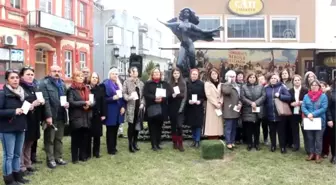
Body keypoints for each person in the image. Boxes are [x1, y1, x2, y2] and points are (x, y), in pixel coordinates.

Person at [0, 69, 30, 185]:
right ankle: (9, 180)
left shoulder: (23, 93)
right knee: (9, 155)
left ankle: (18, 176)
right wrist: (13, 111)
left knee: (17, 154)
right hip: (7, 129)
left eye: (17, 77)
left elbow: (22, 110)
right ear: (7, 80)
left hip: (20, 127)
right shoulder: (3, 94)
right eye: (12, 78)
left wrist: (28, 108)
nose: (15, 80)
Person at [40, 65, 68, 169]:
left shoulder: (62, 84)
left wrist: (67, 104)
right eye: (54, 71)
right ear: (49, 72)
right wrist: (48, 116)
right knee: (49, 139)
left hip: (61, 115)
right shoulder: (44, 84)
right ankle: (50, 159)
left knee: (59, 138)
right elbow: (45, 101)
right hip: (51, 115)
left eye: (59, 71)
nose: (57, 73)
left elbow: (65, 97)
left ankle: (58, 157)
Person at [19, 67, 45, 176]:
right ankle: (21, 167)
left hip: (34, 119)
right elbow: (20, 106)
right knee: (22, 144)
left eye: (32, 74)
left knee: (30, 142)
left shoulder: (34, 87)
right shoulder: (20, 88)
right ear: (22, 76)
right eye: (28, 74)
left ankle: (28, 163)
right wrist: (32, 104)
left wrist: (42, 102)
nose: (30, 76)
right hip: (24, 119)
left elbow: (39, 100)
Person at [143, 68, 172, 151]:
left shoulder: (164, 83)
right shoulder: (148, 84)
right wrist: (154, 98)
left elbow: (169, 92)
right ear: (152, 74)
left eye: (158, 73)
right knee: (152, 127)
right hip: (152, 107)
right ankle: (153, 145)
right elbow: (146, 94)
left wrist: (163, 98)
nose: (156, 74)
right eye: (155, 73)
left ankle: (158, 143)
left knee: (159, 126)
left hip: (162, 108)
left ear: (160, 74)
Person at [67, 71, 93, 163]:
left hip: (86, 116)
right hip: (76, 117)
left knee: (84, 138)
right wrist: (84, 103)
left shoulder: (86, 88)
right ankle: (75, 158)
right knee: (75, 138)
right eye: (78, 76)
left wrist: (89, 105)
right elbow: (71, 102)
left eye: (82, 76)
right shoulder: (71, 89)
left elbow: (93, 100)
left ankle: (83, 156)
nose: (81, 78)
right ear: (74, 78)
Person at [302, 80, 328, 163]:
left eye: (316, 85)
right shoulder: (306, 96)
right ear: (310, 87)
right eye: (312, 85)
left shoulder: (323, 96)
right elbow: (303, 107)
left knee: (318, 139)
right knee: (310, 138)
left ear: (319, 87)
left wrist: (312, 114)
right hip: (309, 121)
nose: (314, 86)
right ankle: (311, 153)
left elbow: (324, 108)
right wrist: (308, 114)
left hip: (320, 121)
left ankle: (318, 155)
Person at [265, 74, 291, 153]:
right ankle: (273, 145)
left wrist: (280, 96)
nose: (273, 79)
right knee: (272, 131)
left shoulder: (282, 87)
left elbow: (289, 97)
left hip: (280, 114)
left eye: (275, 78)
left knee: (281, 131)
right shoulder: (266, 88)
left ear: (277, 80)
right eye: (271, 78)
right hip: (269, 113)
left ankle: (282, 147)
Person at [102, 67, 126, 155]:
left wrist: (123, 106)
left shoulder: (118, 84)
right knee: (110, 130)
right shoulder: (106, 84)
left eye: (116, 74)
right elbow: (104, 99)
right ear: (110, 75)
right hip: (110, 110)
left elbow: (122, 97)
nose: (115, 75)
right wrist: (112, 98)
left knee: (115, 129)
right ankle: (110, 148)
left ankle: (114, 147)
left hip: (118, 110)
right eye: (113, 74)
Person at [241, 73, 266, 151]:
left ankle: (256, 143)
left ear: (256, 78)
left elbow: (263, 96)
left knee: (257, 128)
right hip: (248, 109)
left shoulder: (261, 86)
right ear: (248, 78)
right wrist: (251, 103)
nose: (252, 79)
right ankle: (249, 144)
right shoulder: (244, 87)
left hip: (257, 109)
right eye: (250, 77)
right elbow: (242, 97)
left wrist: (256, 103)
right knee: (249, 128)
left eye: (253, 77)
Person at [122, 67, 145, 153]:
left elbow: (143, 96)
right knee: (131, 126)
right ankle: (130, 144)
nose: (135, 73)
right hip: (131, 107)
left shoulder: (141, 83)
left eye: (136, 71)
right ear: (130, 73)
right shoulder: (126, 82)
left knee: (137, 126)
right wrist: (128, 97)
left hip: (139, 107)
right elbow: (123, 93)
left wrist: (142, 103)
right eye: (134, 71)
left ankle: (135, 142)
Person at [185, 69, 205, 148]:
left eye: (196, 74)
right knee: (192, 124)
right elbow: (185, 95)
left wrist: (200, 101)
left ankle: (197, 141)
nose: (194, 76)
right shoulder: (187, 83)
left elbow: (204, 96)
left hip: (198, 107)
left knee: (198, 125)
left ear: (198, 75)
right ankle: (193, 140)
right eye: (193, 74)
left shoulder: (201, 84)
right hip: (190, 107)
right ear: (190, 75)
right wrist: (188, 101)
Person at [87, 72, 106, 158]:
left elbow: (103, 102)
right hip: (88, 113)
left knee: (97, 134)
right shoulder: (86, 88)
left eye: (96, 78)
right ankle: (88, 153)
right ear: (90, 78)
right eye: (93, 77)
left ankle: (96, 152)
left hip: (97, 114)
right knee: (88, 134)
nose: (94, 79)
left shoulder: (100, 89)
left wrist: (103, 114)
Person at [168, 67, 187, 151]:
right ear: (172, 74)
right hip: (172, 106)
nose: (176, 75)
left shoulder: (183, 83)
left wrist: (181, 107)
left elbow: (184, 95)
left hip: (180, 107)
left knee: (179, 126)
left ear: (180, 74)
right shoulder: (169, 83)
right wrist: (171, 96)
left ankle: (180, 143)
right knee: (173, 126)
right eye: (175, 73)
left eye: (178, 73)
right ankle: (174, 142)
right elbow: (167, 95)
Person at [222, 70, 241, 150]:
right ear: (227, 77)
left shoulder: (237, 85)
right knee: (228, 128)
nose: (233, 78)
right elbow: (227, 92)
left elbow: (239, 96)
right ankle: (228, 142)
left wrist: (240, 103)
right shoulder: (225, 85)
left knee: (234, 127)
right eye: (231, 76)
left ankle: (232, 141)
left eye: (233, 76)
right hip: (229, 109)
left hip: (236, 109)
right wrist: (229, 82)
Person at [289, 75, 308, 152]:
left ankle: (307, 147)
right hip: (293, 113)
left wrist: (302, 102)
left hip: (303, 113)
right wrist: (291, 103)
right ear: (293, 82)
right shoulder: (290, 91)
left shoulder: (305, 90)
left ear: (301, 81)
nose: (297, 81)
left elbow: (309, 100)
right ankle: (296, 145)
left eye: (298, 80)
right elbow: (288, 100)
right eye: (295, 80)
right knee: (295, 130)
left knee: (305, 130)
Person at [204, 68, 223, 139]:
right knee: (211, 122)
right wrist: (215, 104)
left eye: (215, 74)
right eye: (212, 74)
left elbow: (222, 95)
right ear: (210, 75)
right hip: (212, 105)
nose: (214, 75)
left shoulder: (220, 84)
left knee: (218, 122)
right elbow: (208, 95)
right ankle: (211, 136)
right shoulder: (207, 84)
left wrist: (220, 102)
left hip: (219, 105)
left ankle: (218, 135)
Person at [280, 69, 293, 149]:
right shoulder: (280, 84)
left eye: (286, 73)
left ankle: (290, 142)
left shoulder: (291, 83)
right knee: (283, 125)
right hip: (281, 107)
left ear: (288, 74)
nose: (284, 75)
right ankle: (284, 142)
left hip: (291, 106)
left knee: (290, 126)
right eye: (283, 73)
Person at [320, 81, 332, 158]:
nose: (321, 88)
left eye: (323, 86)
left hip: (327, 117)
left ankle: (326, 151)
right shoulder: (318, 95)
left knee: (326, 135)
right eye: (320, 86)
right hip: (320, 117)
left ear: (326, 87)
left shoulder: (329, 95)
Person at [327, 79, 336, 164]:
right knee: (333, 138)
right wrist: (329, 119)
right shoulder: (330, 92)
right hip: (334, 119)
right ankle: (334, 155)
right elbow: (328, 108)